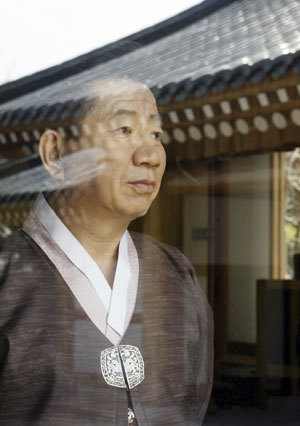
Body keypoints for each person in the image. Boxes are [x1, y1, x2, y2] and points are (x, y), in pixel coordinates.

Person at [0, 79, 213, 425]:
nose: (150, 155)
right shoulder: (7, 279)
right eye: (124, 129)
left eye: (156, 134)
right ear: (55, 154)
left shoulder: (176, 274)